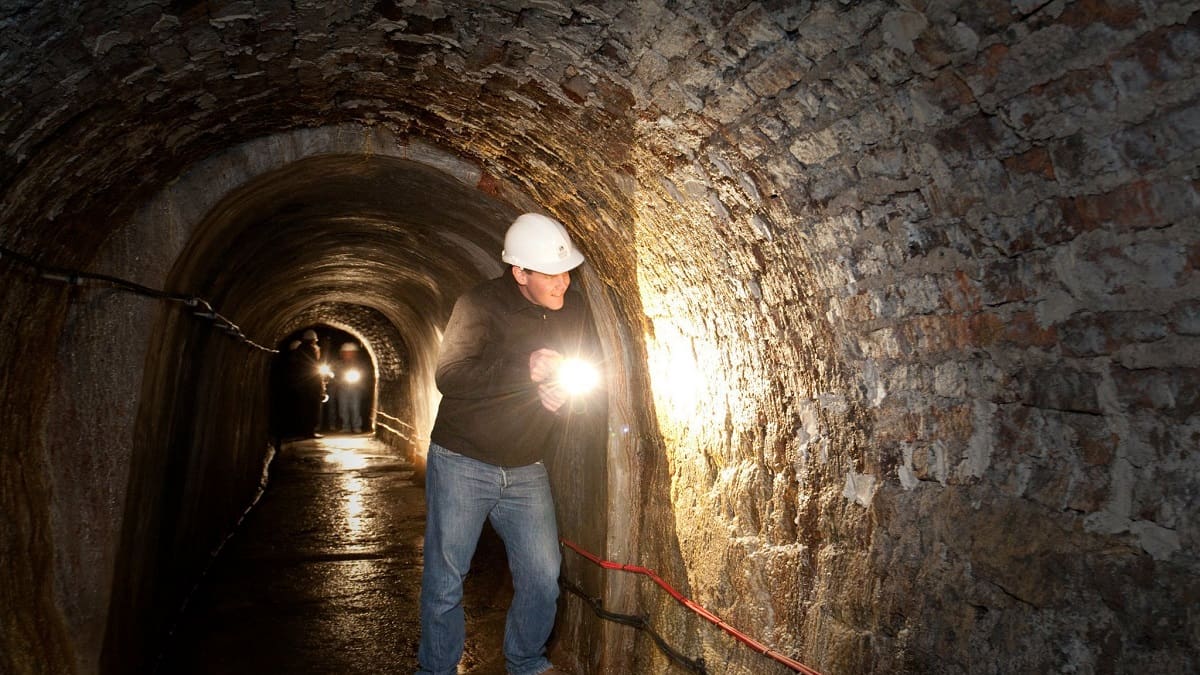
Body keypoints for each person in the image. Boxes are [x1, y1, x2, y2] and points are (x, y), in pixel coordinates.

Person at [417, 213, 602, 675]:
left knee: (543, 578)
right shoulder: (479, 304)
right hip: (463, 460)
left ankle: (526, 661)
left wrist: (565, 399)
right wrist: (526, 369)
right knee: (445, 582)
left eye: (566, 271)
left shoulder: (575, 310)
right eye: (551, 273)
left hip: (525, 466)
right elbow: (449, 376)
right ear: (520, 272)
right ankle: (435, 670)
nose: (563, 282)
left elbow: (590, 373)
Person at [333, 342, 366, 433]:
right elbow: (334, 374)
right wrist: (337, 381)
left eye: (351, 353)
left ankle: (356, 426)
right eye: (346, 353)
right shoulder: (338, 364)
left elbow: (364, 374)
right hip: (342, 387)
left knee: (355, 407)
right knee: (343, 408)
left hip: (356, 387)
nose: (348, 355)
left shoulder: (360, 364)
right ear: (342, 353)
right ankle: (345, 426)